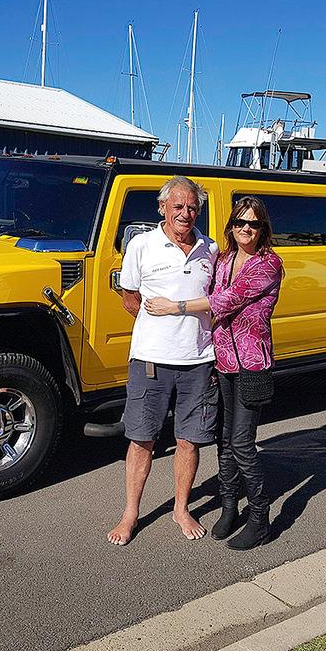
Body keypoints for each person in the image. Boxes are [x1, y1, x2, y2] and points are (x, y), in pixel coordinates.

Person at [144, 196, 282, 550]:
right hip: (223, 362)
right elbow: (203, 288)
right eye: (239, 223)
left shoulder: (268, 264)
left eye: (252, 224)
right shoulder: (224, 259)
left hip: (252, 363)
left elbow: (226, 300)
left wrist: (172, 308)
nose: (245, 229)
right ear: (231, 227)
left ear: (262, 228)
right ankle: (229, 506)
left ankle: (260, 517)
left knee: (242, 442)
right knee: (224, 439)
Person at [107, 176, 219, 546]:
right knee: (142, 440)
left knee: (190, 440)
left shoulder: (211, 249)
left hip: (199, 360)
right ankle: (130, 513)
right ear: (162, 208)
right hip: (150, 360)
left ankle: (181, 508)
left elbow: (216, 300)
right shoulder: (141, 246)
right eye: (178, 206)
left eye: (192, 207)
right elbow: (129, 297)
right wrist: (158, 328)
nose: (186, 213)